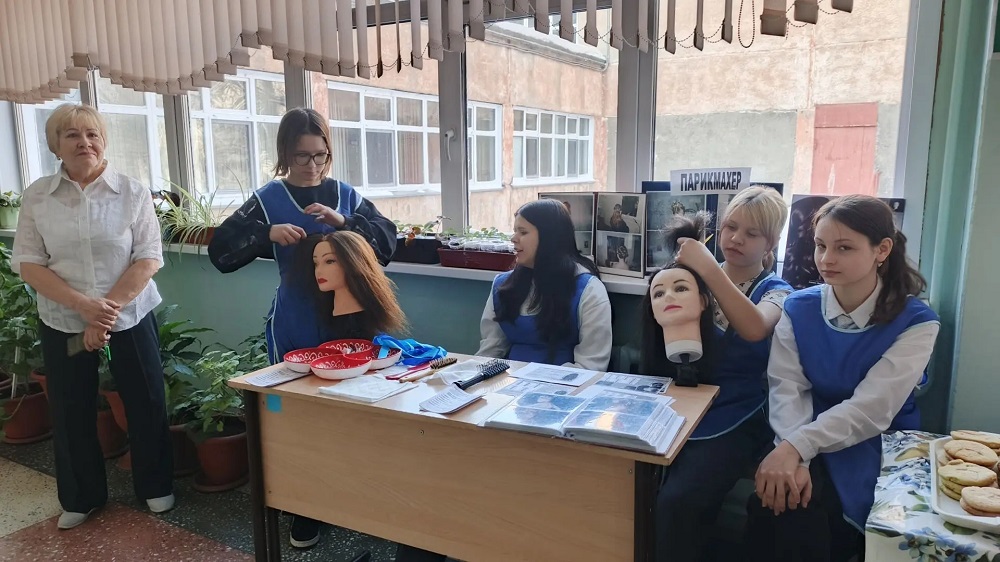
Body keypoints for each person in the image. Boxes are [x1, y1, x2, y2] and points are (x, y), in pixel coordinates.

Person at [207, 107, 396, 549]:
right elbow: (221, 253)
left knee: (352, 412)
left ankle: (353, 495)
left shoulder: (345, 196)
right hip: (296, 323)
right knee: (295, 416)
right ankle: (305, 507)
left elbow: (387, 242)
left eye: (320, 155)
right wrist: (266, 234)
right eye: (301, 156)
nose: (312, 165)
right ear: (284, 154)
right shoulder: (268, 198)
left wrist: (345, 224)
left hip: (351, 324)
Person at [746, 195, 940, 562]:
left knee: (818, 514)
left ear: (882, 250)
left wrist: (794, 448)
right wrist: (793, 455)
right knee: (778, 499)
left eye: (844, 248)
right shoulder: (798, 307)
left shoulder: (917, 321)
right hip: (805, 424)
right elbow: (787, 388)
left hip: (878, 439)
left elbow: (873, 409)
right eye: (820, 246)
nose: (826, 259)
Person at [11, 104, 174, 530]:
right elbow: (29, 263)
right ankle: (81, 496)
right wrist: (83, 306)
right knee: (70, 407)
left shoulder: (131, 192)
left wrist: (102, 316)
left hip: (130, 315)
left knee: (146, 399)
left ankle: (155, 485)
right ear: (56, 146)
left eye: (92, 134)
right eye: (72, 135)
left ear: (103, 142)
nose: (84, 143)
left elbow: (148, 258)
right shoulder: (38, 197)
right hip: (63, 319)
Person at [644, 186, 793, 562]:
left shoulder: (776, 291)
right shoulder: (688, 279)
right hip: (681, 402)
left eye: (752, 233)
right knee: (635, 488)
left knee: (679, 500)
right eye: (730, 227)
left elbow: (756, 327)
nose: (736, 239)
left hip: (736, 413)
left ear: (772, 242)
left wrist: (708, 269)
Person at [477, 199, 613, 371]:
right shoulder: (502, 285)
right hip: (509, 383)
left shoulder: (589, 290)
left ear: (549, 237)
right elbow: (490, 351)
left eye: (523, 232)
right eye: (514, 231)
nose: (513, 239)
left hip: (564, 383)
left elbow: (590, 366)